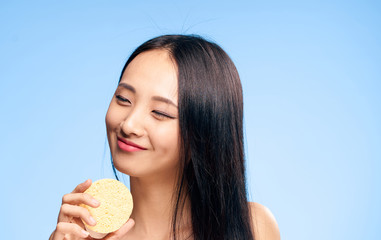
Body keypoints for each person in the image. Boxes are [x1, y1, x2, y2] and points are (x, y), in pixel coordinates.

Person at [49, 34, 280, 240]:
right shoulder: (83, 236)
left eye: (160, 113)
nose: (129, 124)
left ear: (204, 133)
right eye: (123, 99)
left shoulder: (253, 226)